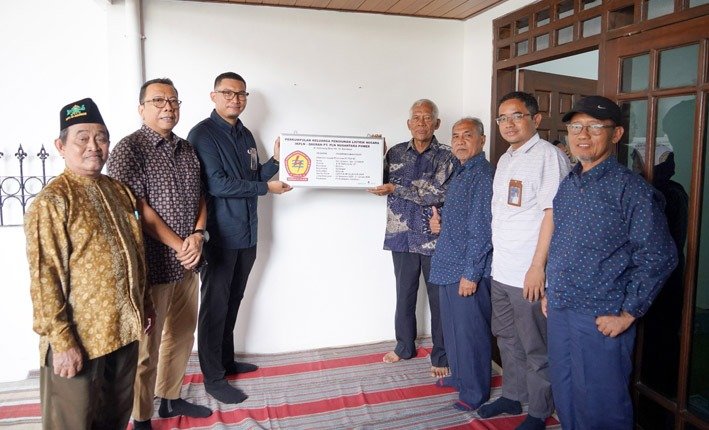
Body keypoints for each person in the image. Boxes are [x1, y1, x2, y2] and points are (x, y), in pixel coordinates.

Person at [544, 96, 678, 429]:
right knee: (565, 393)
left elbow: (659, 255)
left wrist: (629, 312)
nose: (582, 134)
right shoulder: (569, 183)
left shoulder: (630, 189)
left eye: (594, 126)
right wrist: (550, 287)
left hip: (600, 315)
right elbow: (561, 241)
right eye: (576, 126)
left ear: (616, 134)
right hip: (560, 307)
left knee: (602, 407)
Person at [25, 98, 151, 429]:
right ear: (61, 146)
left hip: (123, 332)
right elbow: (45, 277)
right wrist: (62, 341)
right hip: (79, 341)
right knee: (73, 422)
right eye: (82, 138)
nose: (94, 146)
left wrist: (145, 303)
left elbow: (136, 253)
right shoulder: (53, 201)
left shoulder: (118, 191)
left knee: (114, 418)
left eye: (101, 138)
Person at [107, 78, 211, 429]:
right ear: (141, 108)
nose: (168, 106)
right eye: (158, 100)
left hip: (188, 264)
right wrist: (180, 246)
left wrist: (198, 235)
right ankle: (141, 417)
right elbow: (138, 209)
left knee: (182, 334)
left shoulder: (187, 149)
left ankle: (169, 398)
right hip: (153, 266)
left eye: (174, 100)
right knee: (146, 349)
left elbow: (201, 197)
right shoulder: (129, 149)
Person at [188, 72, 292, 404]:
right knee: (214, 306)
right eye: (228, 93)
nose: (235, 99)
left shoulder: (245, 133)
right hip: (219, 236)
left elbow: (252, 175)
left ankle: (226, 361)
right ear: (214, 96)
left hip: (247, 234)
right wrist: (266, 188)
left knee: (233, 300)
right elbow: (217, 184)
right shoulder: (202, 134)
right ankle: (213, 377)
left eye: (241, 94)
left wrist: (275, 161)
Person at [478, 91, 570, 430]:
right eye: (502, 118)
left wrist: (537, 268)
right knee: (506, 337)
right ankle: (513, 395)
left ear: (536, 119)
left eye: (517, 116)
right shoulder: (506, 158)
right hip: (502, 268)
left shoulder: (548, 156)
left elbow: (553, 214)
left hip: (529, 272)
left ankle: (539, 411)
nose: (509, 124)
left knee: (535, 345)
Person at [368, 99, 454, 378]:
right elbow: (376, 181)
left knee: (438, 299)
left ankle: (441, 354)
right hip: (401, 236)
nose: (421, 122)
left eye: (427, 118)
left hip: (434, 238)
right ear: (408, 123)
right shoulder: (394, 153)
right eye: (416, 117)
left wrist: (396, 188)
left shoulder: (447, 155)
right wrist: (372, 154)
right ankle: (404, 346)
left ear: (437, 123)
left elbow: (437, 193)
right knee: (404, 295)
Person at [428, 117, 494, 411]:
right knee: (453, 330)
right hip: (448, 263)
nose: (460, 141)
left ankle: (474, 391)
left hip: (467, 269)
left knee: (471, 334)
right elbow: (463, 217)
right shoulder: (461, 170)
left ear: (482, 140)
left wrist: (471, 273)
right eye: (456, 136)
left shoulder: (483, 175)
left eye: (468, 135)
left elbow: (482, 228)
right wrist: (440, 223)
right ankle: (460, 376)